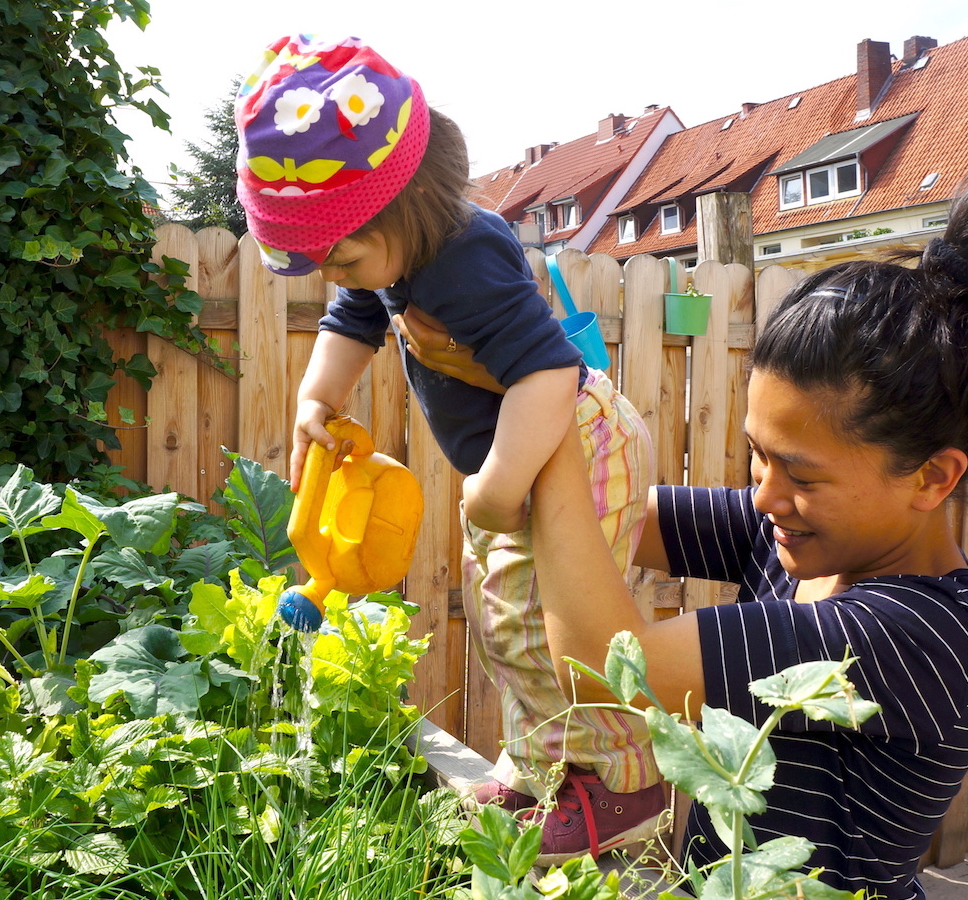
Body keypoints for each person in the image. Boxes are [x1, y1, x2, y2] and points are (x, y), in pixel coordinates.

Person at [397, 165, 968, 899]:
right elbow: (607, 512)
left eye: (801, 474)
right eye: (757, 456)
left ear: (931, 477)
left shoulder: (924, 633)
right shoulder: (789, 539)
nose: (765, 493)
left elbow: (604, 670)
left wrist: (550, 392)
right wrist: (521, 380)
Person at [234, 33, 664, 861]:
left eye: (345, 254)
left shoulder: (463, 253)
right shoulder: (388, 261)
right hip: (520, 451)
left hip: (572, 440)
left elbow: (546, 371)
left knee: (556, 626)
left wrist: (501, 483)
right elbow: (351, 318)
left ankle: (621, 783)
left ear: (406, 202)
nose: (340, 274)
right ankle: (545, 774)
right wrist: (316, 397)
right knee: (506, 624)